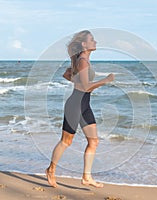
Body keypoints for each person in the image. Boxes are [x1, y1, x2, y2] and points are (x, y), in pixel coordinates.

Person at [45, 30, 115, 188]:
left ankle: (86, 177)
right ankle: (51, 170)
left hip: (84, 105)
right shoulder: (82, 61)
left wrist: (77, 81)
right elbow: (85, 86)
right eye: (92, 40)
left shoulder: (82, 60)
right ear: (84, 44)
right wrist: (106, 80)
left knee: (94, 141)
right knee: (66, 141)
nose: (95, 42)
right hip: (75, 105)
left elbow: (66, 75)